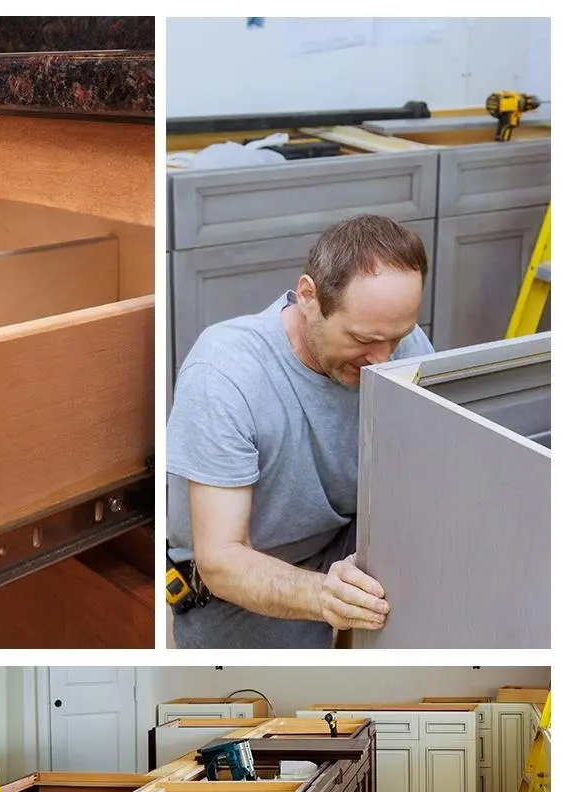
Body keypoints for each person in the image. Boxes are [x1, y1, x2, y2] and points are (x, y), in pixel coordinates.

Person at [167, 214, 435, 649]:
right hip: (239, 582)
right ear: (309, 296)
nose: (384, 361)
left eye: (397, 337)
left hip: (341, 543)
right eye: (363, 338)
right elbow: (221, 560)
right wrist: (323, 595)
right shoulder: (224, 373)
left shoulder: (401, 348)